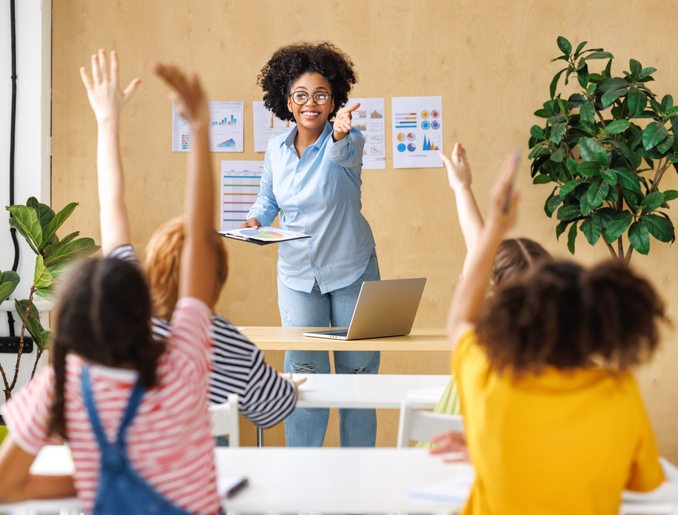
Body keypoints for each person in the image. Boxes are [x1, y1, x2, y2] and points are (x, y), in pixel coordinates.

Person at [0, 51, 222, 514]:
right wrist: (199, 129)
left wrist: (93, 480)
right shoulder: (182, 366)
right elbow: (200, 239)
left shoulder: (63, 384)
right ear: (144, 306)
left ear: (70, 326)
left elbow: (6, 486)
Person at [436, 152, 666, 513]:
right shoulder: (620, 392)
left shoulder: (488, 380)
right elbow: (639, 482)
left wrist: (497, 225)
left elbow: (459, 322)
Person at [83, 48, 300, 430]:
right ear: (216, 277)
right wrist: (286, 387)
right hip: (203, 485)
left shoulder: (123, 312)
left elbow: (111, 202)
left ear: (149, 264)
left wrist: (106, 119)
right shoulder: (224, 344)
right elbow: (276, 409)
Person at [241, 42, 379, 447]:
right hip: (299, 276)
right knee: (304, 378)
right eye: (301, 95)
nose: (311, 103)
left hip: (351, 270)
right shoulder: (275, 151)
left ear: (334, 98)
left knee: (357, 378)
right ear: (287, 100)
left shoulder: (348, 142)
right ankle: (302, 476)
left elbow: (344, 153)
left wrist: (339, 131)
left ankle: (359, 475)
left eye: (321, 95)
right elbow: (267, 200)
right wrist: (255, 220)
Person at [416, 144, 550, 438]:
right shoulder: (557, 361)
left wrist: (467, 192)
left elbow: (479, 248)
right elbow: (478, 246)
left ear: (490, 289)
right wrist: (462, 187)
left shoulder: (476, 348)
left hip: (447, 464)